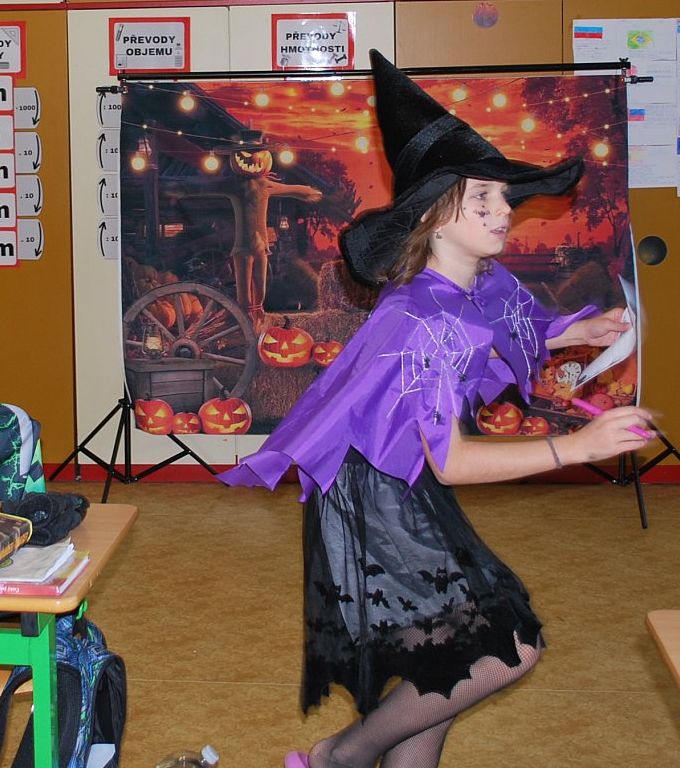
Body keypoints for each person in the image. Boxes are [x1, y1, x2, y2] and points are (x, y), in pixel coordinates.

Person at [221, 52, 654, 768]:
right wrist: (577, 448)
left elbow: (506, 323)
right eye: (481, 197)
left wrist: (579, 331)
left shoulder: (476, 279)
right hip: (374, 490)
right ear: (433, 215)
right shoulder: (423, 321)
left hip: (399, 478)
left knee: (447, 655)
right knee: (504, 647)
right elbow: (450, 458)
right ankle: (335, 759)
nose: (503, 210)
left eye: (504, 197)